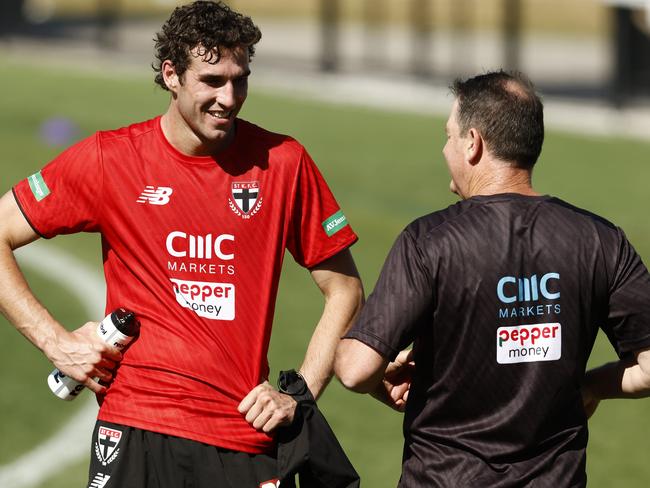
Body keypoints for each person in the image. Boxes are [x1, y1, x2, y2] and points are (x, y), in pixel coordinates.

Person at [0, 2, 363, 487]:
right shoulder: (112, 159)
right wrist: (57, 344)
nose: (229, 98)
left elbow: (345, 290)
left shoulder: (284, 163)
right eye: (212, 81)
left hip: (241, 436)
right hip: (134, 427)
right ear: (171, 75)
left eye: (241, 79)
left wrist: (300, 398)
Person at [334, 70, 650, 487]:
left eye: (449, 135)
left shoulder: (429, 240)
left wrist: (377, 370)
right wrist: (589, 386)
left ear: (473, 143)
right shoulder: (600, 240)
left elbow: (356, 370)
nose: (445, 147)